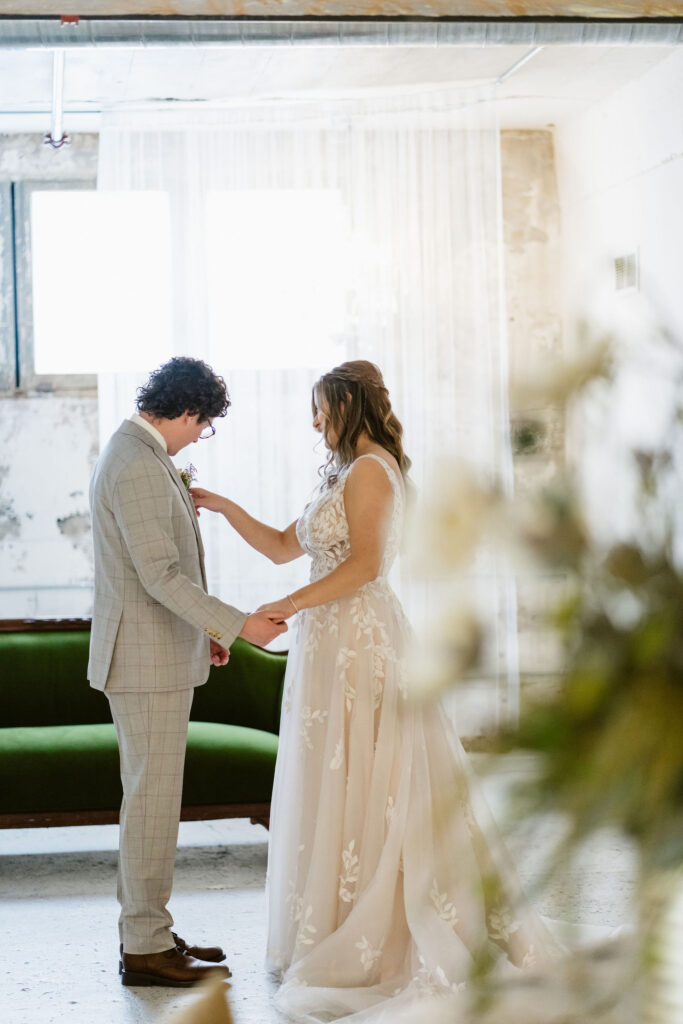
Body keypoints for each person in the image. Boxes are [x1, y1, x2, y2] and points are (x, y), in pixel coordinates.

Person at [191, 359, 562, 1021]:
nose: (312, 422)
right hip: (325, 648)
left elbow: (363, 566)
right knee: (332, 779)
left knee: (377, 777)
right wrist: (221, 507)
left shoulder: (371, 472)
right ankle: (332, 918)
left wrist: (288, 603)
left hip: (362, 644)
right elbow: (282, 545)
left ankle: (388, 933)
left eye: (319, 410)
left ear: (346, 405)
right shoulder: (338, 473)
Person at [88, 356, 287, 989]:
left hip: (156, 654)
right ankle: (145, 947)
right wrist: (238, 625)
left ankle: (147, 933)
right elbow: (160, 575)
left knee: (151, 801)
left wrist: (200, 637)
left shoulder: (136, 454)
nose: (201, 436)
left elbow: (158, 579)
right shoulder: (137, 463)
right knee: (151, 805)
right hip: (144, 664)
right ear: (185, 410)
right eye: (203, 424)